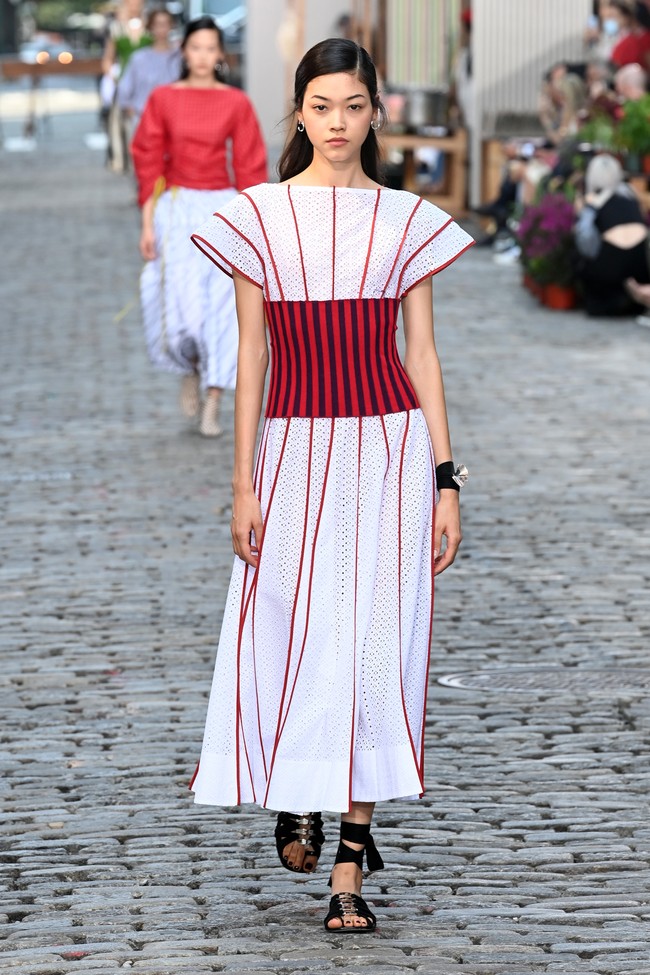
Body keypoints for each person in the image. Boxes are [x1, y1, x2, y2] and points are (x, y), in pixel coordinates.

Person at [189, 38, 473, 931]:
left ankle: (350, 861)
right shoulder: (260, 216)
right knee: (295, 633)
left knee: (372, 644)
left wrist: (445, 479)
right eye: (322, 106)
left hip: (388, 451)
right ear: (300, 113)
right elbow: (254, 350)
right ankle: (295, 786)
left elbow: (420, 352)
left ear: (376, 113)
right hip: (294, 450)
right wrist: (242, 484)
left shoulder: (405, 219)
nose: (340, 123)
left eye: (355, 106)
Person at [131, 17, 267, 436]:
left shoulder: (236, 103)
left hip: (223, 209)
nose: (204, 56)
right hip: (176, 207)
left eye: (212, 48)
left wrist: (254, 226)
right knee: (184, 314)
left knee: (225, 311)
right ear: (184, 52)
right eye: (196, 48)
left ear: (220, 55)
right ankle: (191, 366)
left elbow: (250, 165)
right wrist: (148, 223)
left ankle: (213, 400)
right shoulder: (162, 99)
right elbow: (148, 161)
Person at [574, 153, 650, 316]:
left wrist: (583, 212)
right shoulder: (630, 194)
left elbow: (586, 244)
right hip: (640, 263)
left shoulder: (593, 201)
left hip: (607, 268)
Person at [102, 0, 152, 173]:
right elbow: (108, 58)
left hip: (149, 84)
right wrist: (114, 77)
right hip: (125, 82)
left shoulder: (151, 24)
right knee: (124, 127)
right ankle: (128, 164)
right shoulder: (117, 28)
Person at [117, 7, 181, 132]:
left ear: (171, 26)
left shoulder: (180, 57)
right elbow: (125, 88)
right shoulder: (139, 58)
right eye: (157, 24)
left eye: (165, 24)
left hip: (175, 119)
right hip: (144, 118)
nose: (162, 29)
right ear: (150, 27)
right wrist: (132, 112)